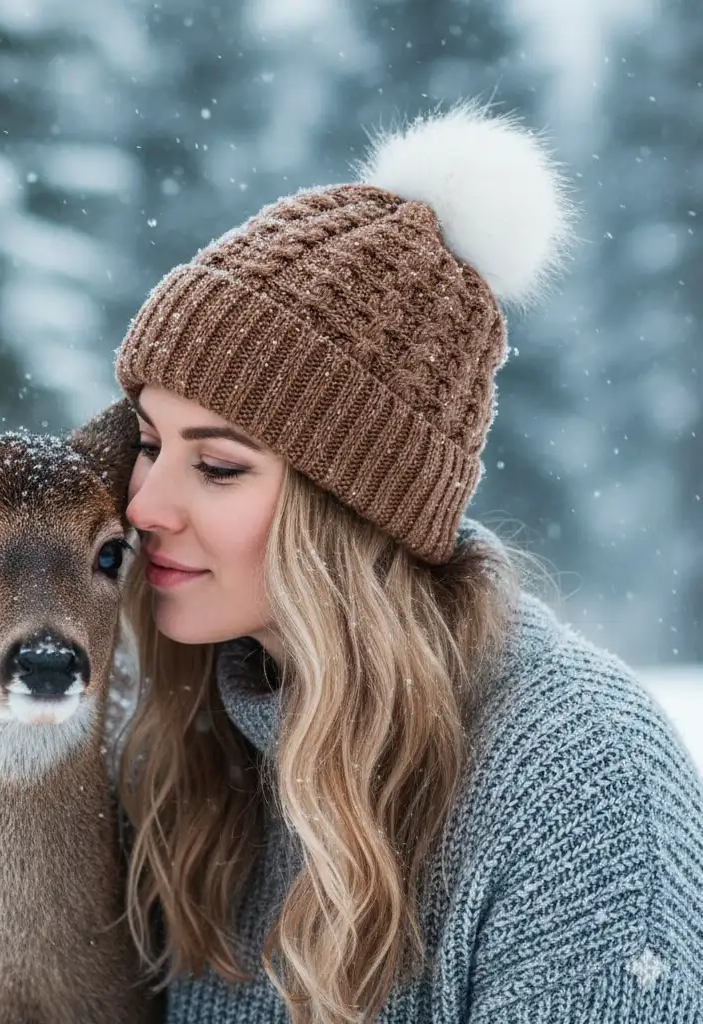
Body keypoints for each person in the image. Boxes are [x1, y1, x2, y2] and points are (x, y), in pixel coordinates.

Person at [109, 103, 703, 1024]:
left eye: (218, 466)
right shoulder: (189, 744)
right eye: (148, 443)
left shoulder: (582, 781)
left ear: (353, 510)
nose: (144, 506)